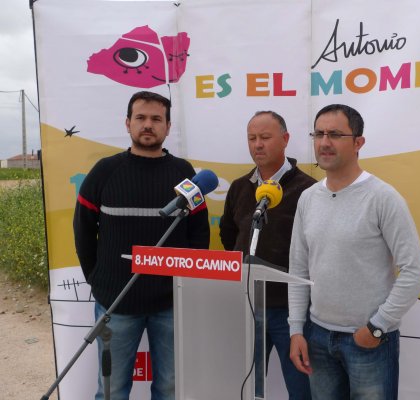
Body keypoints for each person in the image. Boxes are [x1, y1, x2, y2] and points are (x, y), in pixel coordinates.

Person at [73, 91, 210, 400]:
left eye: (156, 119)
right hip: (116, 304)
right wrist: (98, 279)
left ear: (168, 127)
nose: (148, 125)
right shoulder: (104, 171)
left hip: (171, 304)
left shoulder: (183, 173)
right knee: (111, 391)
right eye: (141, 118)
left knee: (170, 389)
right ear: (128, 123)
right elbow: (83, 231)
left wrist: (188, 284)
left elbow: (198, 233)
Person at [287, 104, 420, 400]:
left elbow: (415, 271)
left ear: (358, 143)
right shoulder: (308, 199)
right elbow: (298, 270)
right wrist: (296, 330)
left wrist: (377, 327)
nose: (324, 142)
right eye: (319, 134)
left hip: (369, 341)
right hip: (317, 337)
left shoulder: (383, 198)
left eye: (335, 134)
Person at [220, 111, 315, 399]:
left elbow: (314, 249)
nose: (257, 145)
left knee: (302, 390)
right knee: (244, 389)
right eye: (252, 138)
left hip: (291, 312)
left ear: (285, 139)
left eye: (265, 137)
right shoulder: (240, 187)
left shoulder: (308, 190)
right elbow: (229, 235)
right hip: (247, 304)